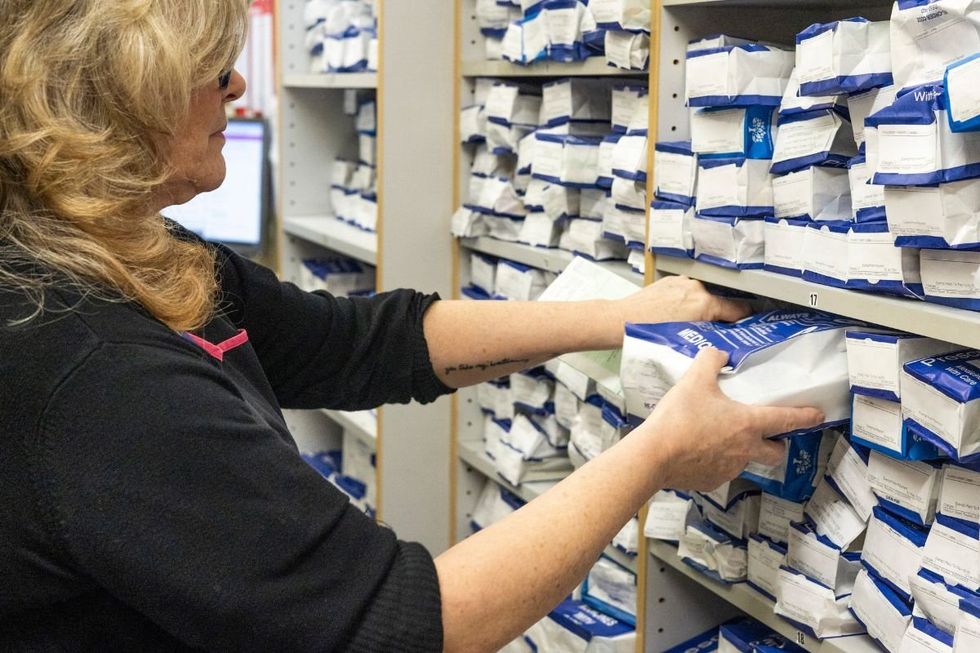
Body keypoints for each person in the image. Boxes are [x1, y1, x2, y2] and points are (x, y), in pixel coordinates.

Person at [0, 1, 823, 651]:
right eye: (211, 69)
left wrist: (618, 317)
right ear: (119, 97)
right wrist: (656, 456)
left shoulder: (129, 252)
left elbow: (365, 344)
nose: (237, 87)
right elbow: (407, 623)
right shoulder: (93, 372)